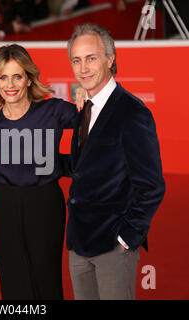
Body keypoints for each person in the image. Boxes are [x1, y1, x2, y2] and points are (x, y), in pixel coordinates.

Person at [0, 44, 79, 299]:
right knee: (12, 279)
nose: (10, 84)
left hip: (45, 202)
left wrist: (89, 94)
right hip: (4, 204)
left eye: (17, 76)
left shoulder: (54, 111)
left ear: (29, 78)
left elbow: (96, 128)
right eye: (3, 77)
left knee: (46, 278)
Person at [65, 23, 165, 300]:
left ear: (110, 59)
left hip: (112, 246)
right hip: (78, 243)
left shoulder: (132, 112)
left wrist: (126, 239)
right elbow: (83, 167)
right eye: (76, 60)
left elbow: (152, 185)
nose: (83, 68)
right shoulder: (85, 107)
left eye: (91, 58)